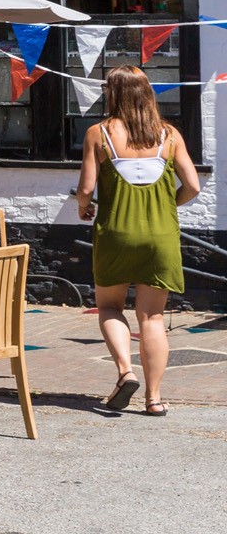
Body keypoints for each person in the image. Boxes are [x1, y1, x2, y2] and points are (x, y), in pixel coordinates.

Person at [76, 64, 202, 417]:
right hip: (160, 236)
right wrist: (166, 206)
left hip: (116, 234)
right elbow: (192, 186)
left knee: (110, 306)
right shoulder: (170, 135)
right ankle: (155, 398)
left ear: (112, 93)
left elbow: (86, 189)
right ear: (147, 93)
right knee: (152, 316)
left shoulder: (98, 133)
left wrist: (84, 208)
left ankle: (124, 372)